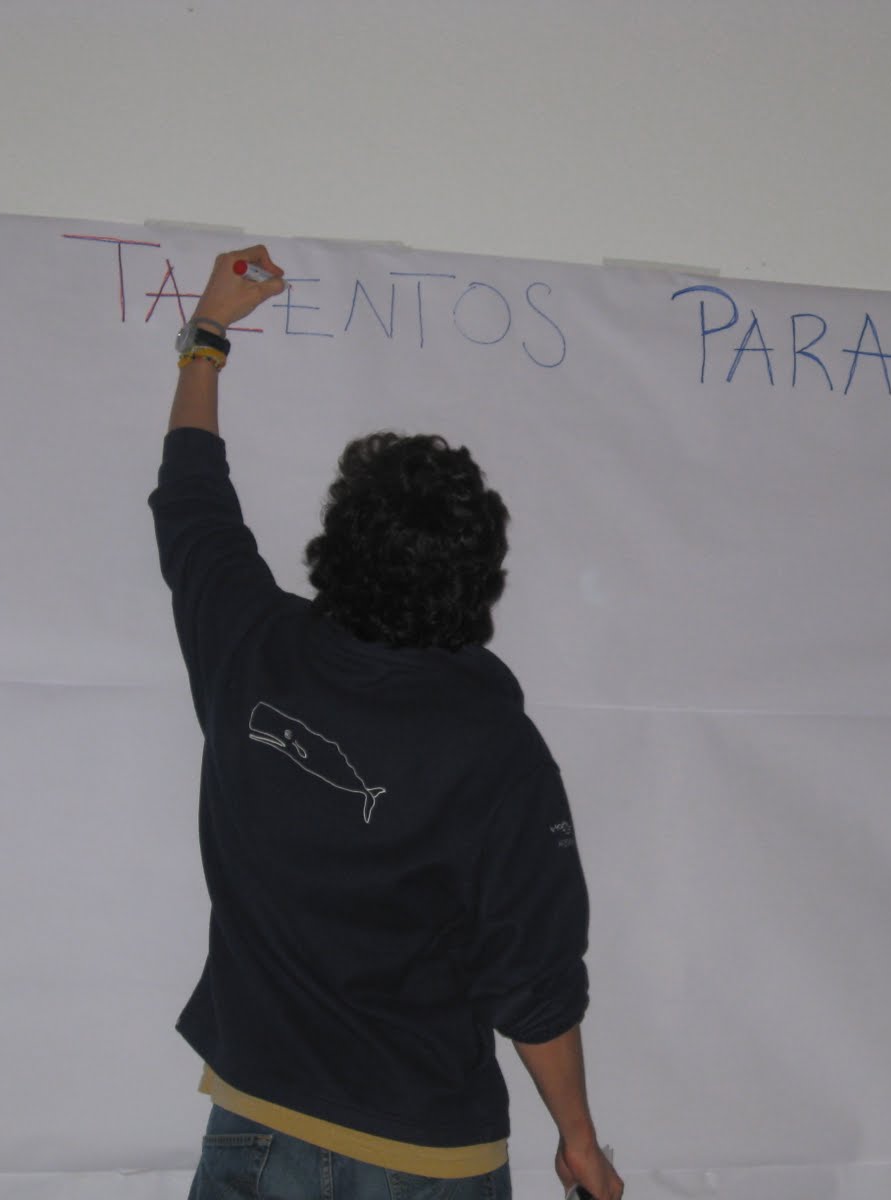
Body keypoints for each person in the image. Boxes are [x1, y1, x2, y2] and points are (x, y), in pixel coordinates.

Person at [150, 247, 624, 1200]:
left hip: (256, 1130)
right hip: (429, 1161)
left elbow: (192, 501)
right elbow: (533, 980)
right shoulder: (498, 751)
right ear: (477, 583)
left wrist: (207, 338)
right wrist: (578, 1139)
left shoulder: (251, 647)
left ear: (337, 544)